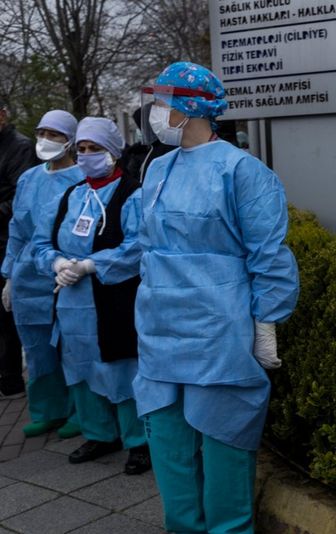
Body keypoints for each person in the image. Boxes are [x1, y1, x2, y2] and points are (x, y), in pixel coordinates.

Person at [134, 62, 299, 533]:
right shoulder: (157, 168)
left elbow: (268, 253)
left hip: (218, 328)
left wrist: (266, 322)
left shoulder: (242, 170)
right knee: (167, 437)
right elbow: (145, 243)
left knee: (225, 435)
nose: (156, 113)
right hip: (160, 324)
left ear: (190, 108)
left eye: (164, 103)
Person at [32, 117, 150, 475]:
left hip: (114, 300)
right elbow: (41, 243)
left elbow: (138, 246)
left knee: (122, 369)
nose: (86, 156)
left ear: (113, 153)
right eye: (80, 149)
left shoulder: (133, 193)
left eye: (94, 149)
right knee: (80, 367)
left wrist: (89, 266)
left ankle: (138, 442)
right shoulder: (74, 195)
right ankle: (99, 433)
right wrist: (57, 264)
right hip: (72, 304)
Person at [1, 110, 84, 437]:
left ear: (71, 141)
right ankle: (49, 410)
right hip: (28, 276)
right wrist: (9, 274)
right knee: (37, 349)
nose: (46, 141)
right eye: (42, 133)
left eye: (55, 135)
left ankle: (80, 412)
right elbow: (18, 229)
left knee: (72, 347)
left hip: (66, 274)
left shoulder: (81, 179)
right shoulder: (29, 179)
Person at [0, 97, 38, 399]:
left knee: (7, 314)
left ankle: (11, 378)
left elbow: (21, 201)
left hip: (7, 242)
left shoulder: (19, 148)